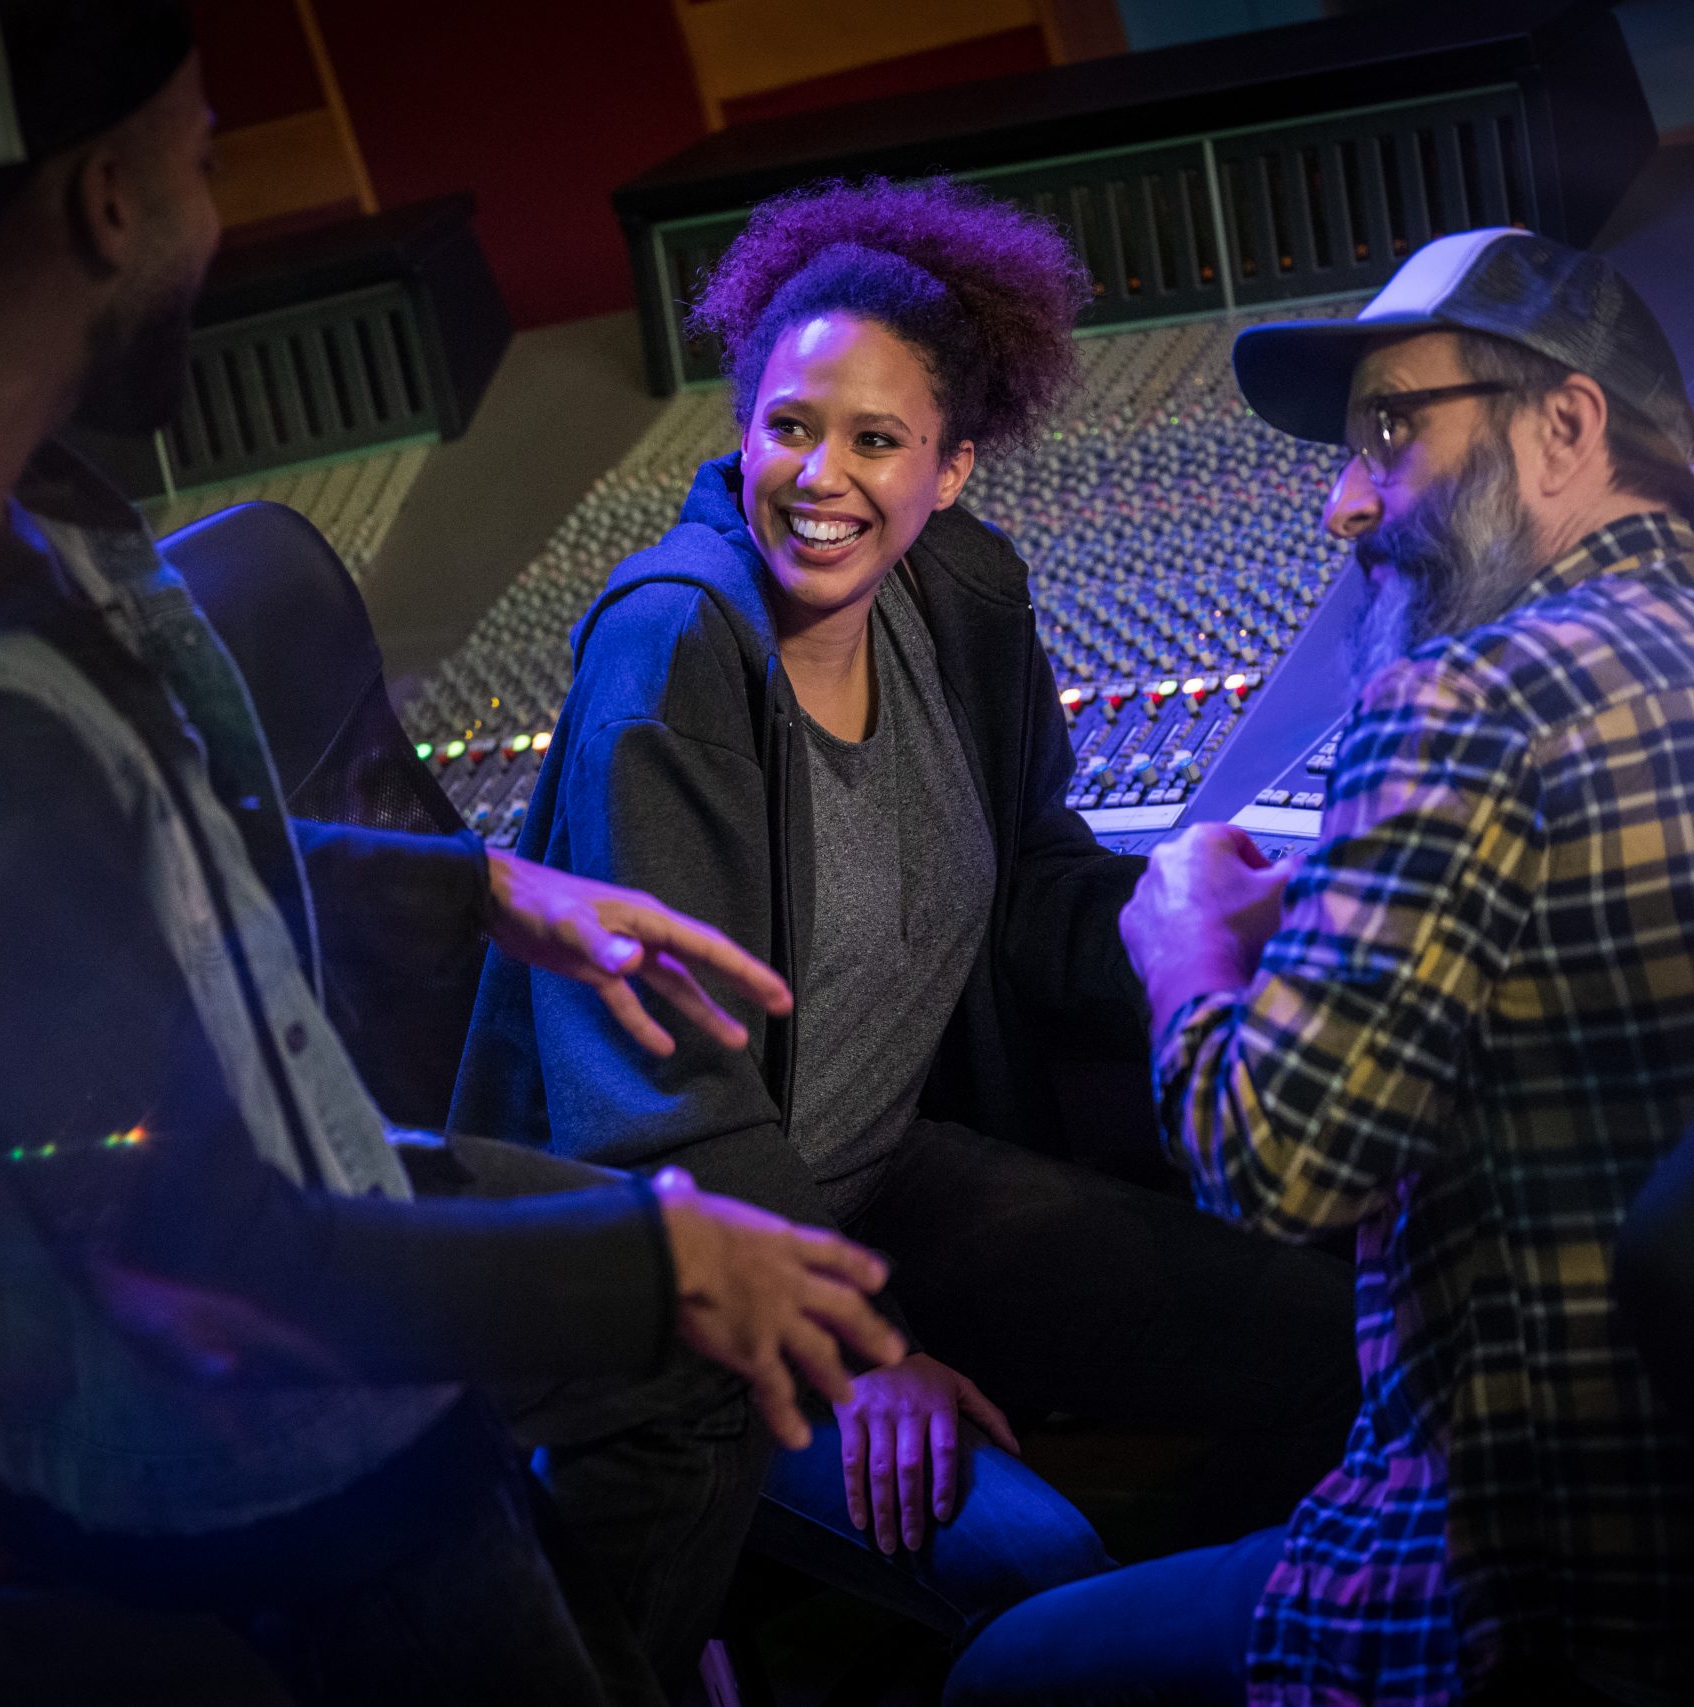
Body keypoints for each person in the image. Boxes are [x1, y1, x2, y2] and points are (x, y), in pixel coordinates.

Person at [0, 4, 904, 1703]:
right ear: (106, 205)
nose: (215, 214)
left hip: (304, 1272)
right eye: (199, 166)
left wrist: (483, 888)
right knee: (683, 1299)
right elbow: (190, 1249)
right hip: (259, 1486)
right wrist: (655, 1265)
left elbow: (120, 882)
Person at [946, 227, 1694, 1707]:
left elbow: (1278, 1171)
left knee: (1009, 1676)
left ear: (1566, 425)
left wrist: (1183, 948)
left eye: (1394, 428)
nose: (1343, 500)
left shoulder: (1465, 701)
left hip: (1534, 1572)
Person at [453, 177, 1358, 1640]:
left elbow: (1041, 890)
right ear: (742, 431)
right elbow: (660, 1094)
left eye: (877, 441)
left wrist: (1253, 944)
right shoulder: (676, 648)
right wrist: (870, 1358)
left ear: (952, 469)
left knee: (1339, 1350)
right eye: (790, 427)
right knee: (1034, 1564)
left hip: (895, 1184)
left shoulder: (960, 600)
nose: (822, 477)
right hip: (695, 1258)